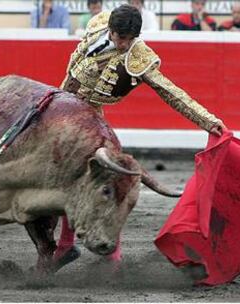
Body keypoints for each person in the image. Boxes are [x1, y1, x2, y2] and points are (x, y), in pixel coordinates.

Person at [54, 4, 226, 269]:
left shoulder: (139, 57)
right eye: (120, 38)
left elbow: (171, 92)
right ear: (110, 30)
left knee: (95, 182)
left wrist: (208, 121)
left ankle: (100, 253)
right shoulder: (97, 22)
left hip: (90, 123)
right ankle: (62, 246)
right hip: (58, 109)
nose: (124, 45)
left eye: (129, 39)